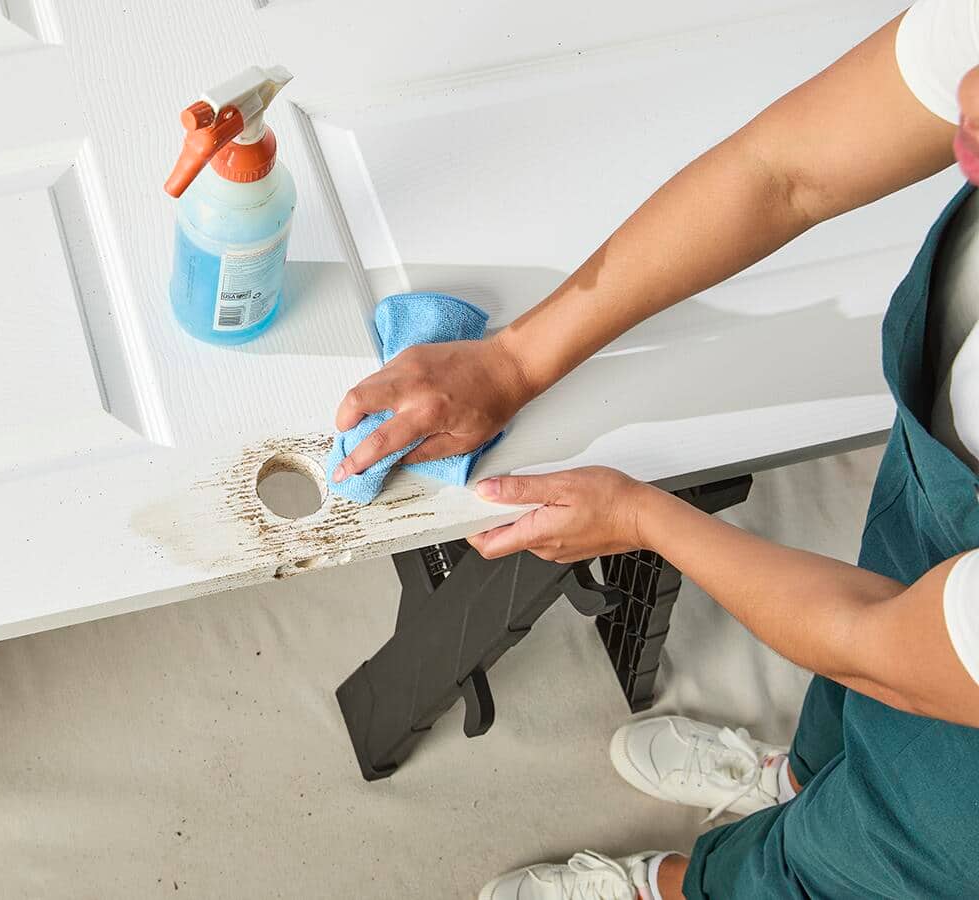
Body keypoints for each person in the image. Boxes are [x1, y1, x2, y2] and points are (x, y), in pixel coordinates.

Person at [331, 3, 979, 898]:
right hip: (953, 481)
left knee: (850, 861)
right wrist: (518, 360)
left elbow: (875, 644)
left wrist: (644, 516)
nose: (967, 99)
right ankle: (796, 779)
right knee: (880, 638)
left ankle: (679, 886)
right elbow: (783, 171)